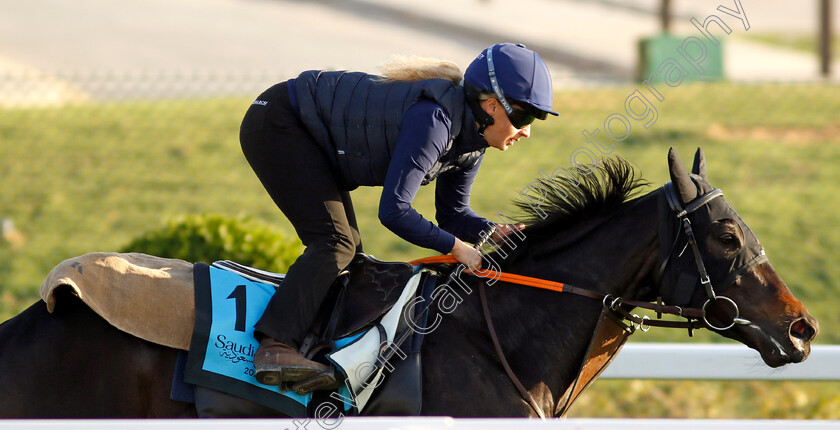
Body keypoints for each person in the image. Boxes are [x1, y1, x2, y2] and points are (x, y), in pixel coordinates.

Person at [239, 43, 558, 393]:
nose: (526, 131)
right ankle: (275, 346)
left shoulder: (472, 142)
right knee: (335, 244)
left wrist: (492, 231)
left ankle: (312, 347)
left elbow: (453, 214)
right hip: (279, 122)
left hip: (302, 129)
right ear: (491, 105)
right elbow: (394, 212)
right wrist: (460, 250)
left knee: (350, 252)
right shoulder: (435, 120)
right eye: (524, 117)